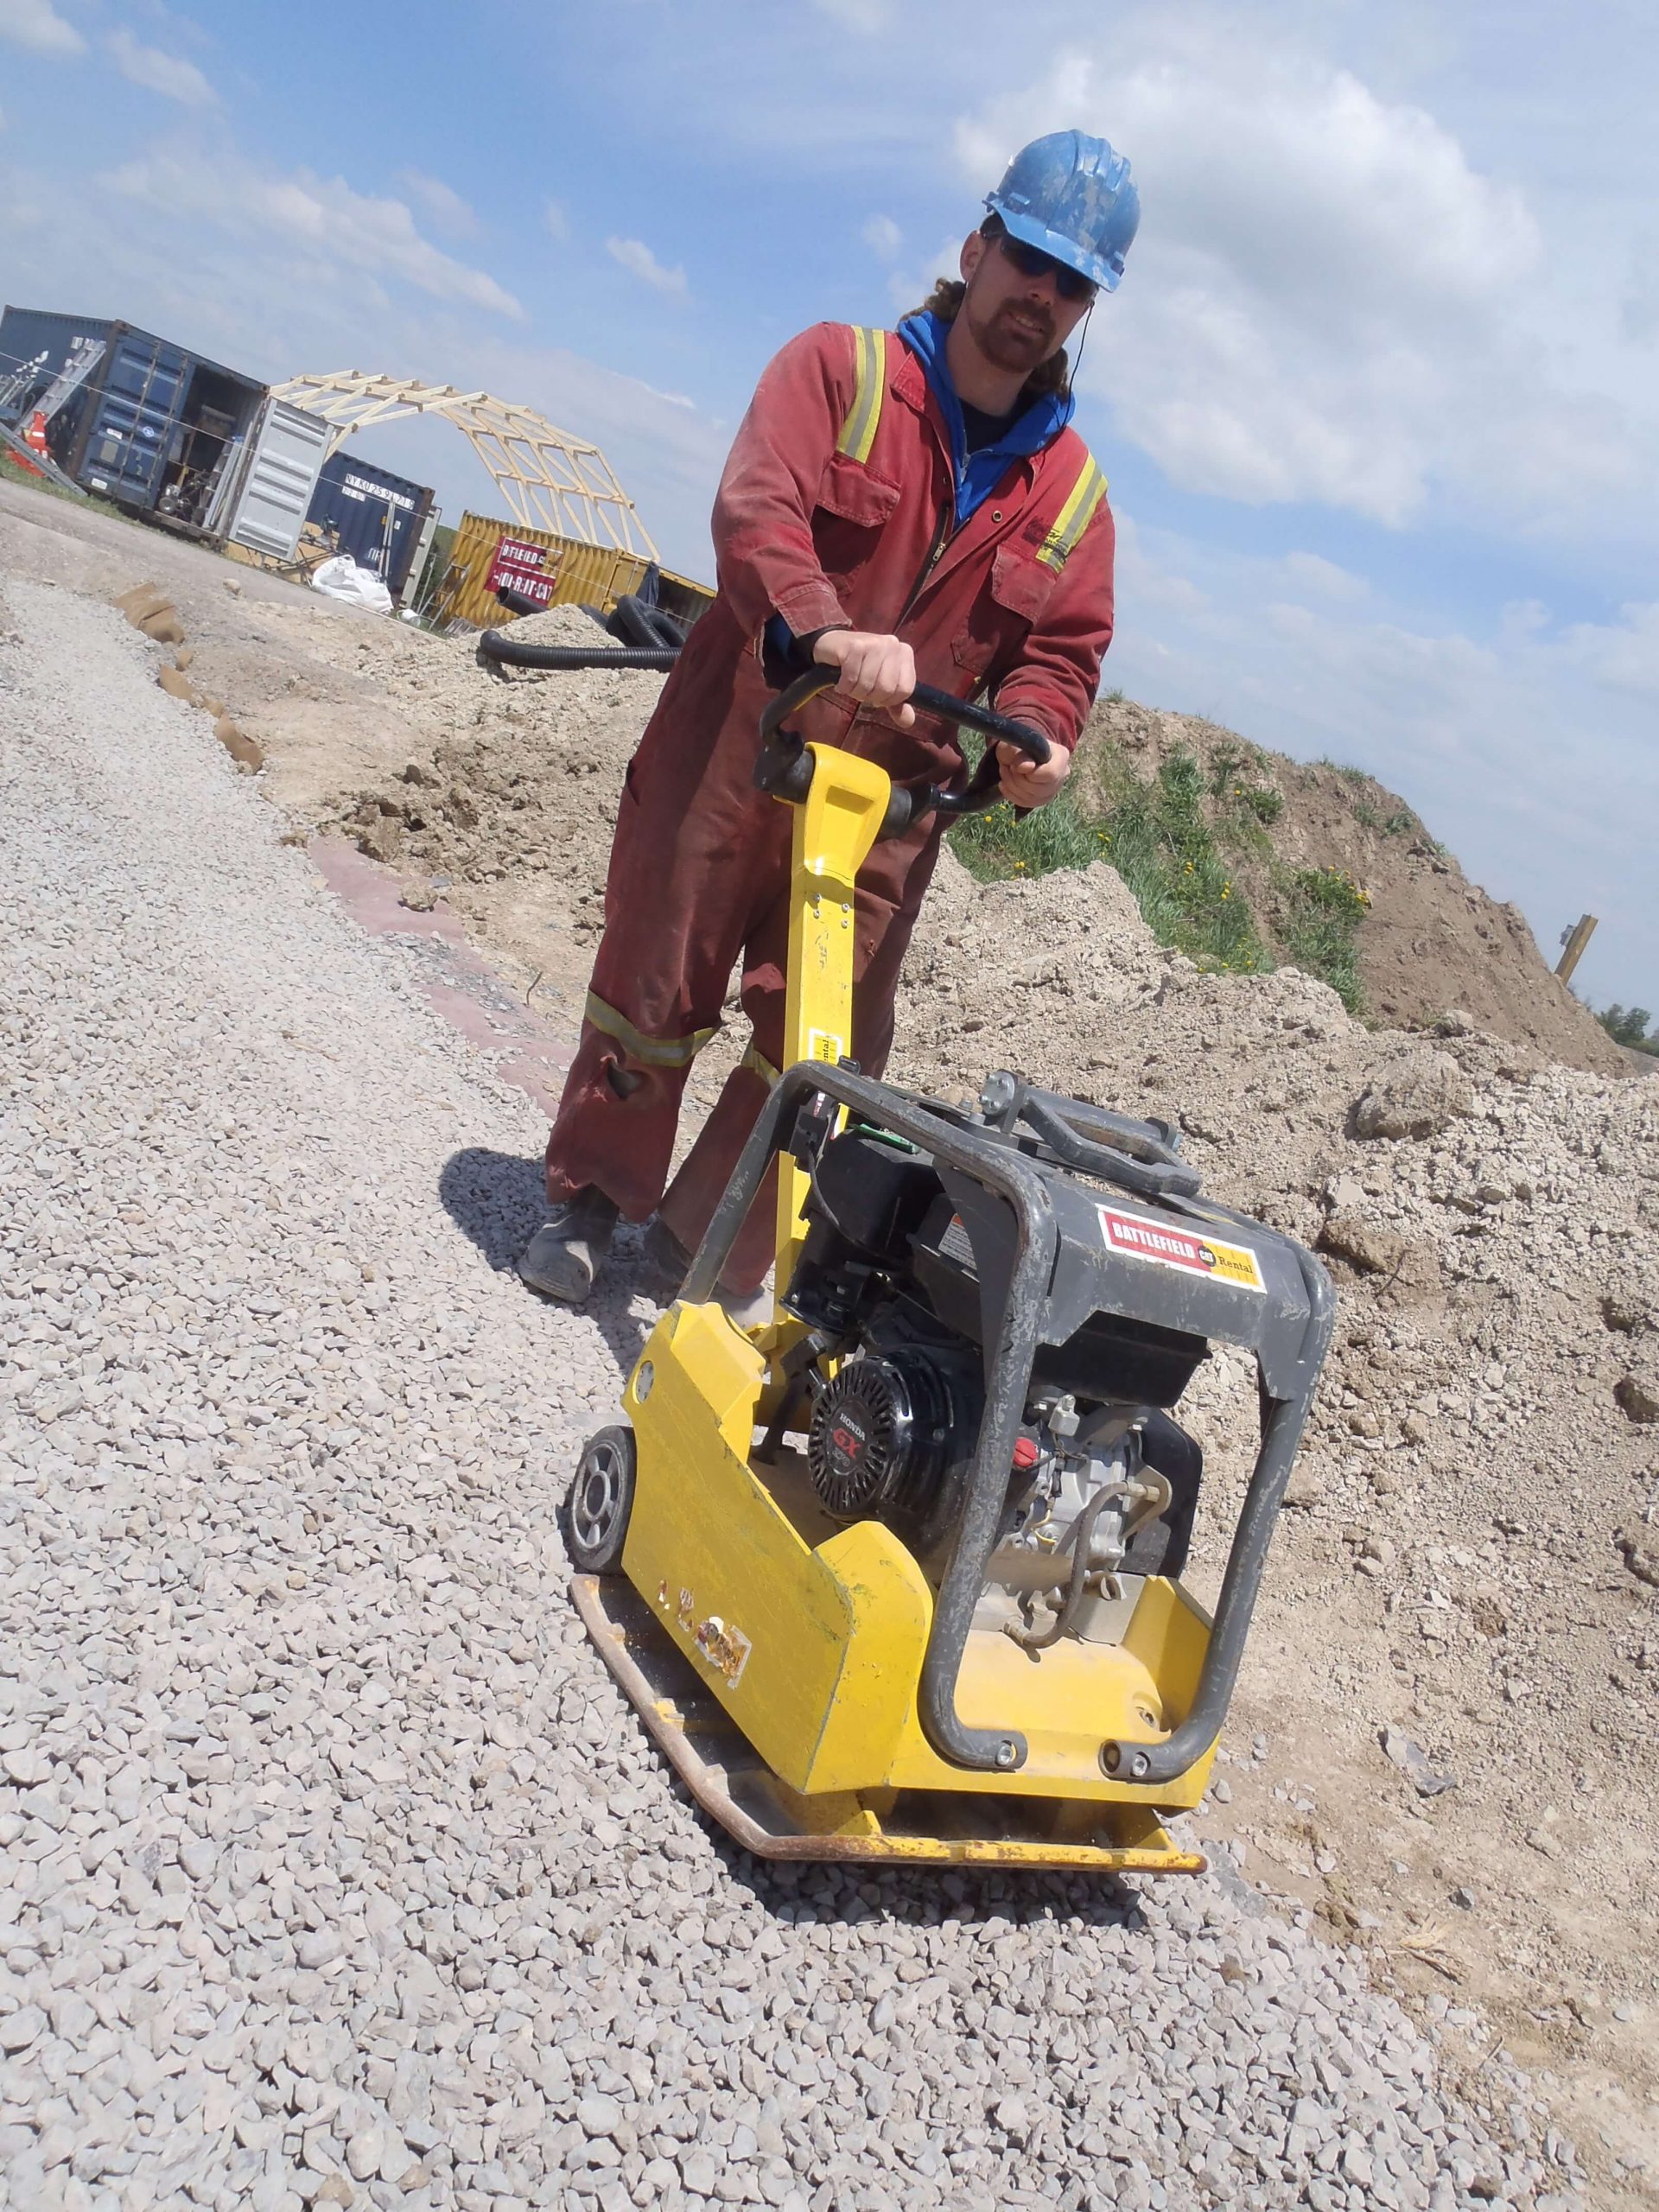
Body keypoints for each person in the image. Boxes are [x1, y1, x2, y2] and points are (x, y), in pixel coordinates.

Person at [519, 130, 1139, 1307]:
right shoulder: (840, 373)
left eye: (1073, 285)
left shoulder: (1073, 495)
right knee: (658, 981)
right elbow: (758, 511)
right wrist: (823, 625)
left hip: (889, 806)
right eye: (1029, 262)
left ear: (1085, 309)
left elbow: (1060, 653)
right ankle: (593, 1202)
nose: (1041, 298)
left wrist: (1040, 735)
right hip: (739, 743)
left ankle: (704, 1254)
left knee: (823, 1046)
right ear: (976, 248)